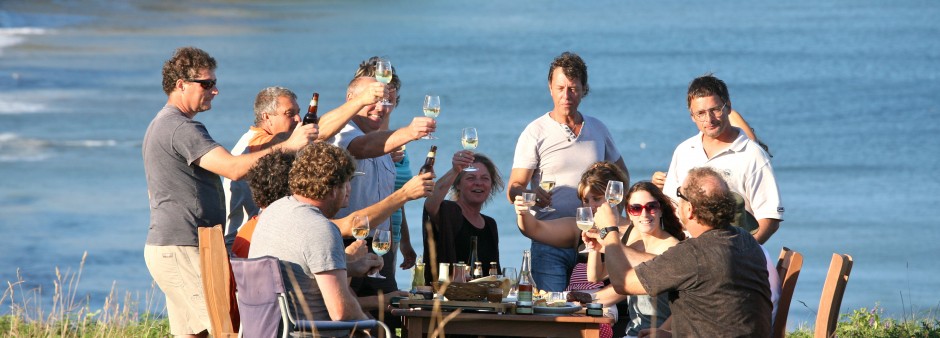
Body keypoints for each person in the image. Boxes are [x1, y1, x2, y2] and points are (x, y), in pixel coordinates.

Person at [142, 46, 316, 338]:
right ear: (181, 84)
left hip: (176, 244)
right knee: (224, 330)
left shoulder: (165, 123)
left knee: (194, 333)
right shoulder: (180, 128)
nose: (215, 90)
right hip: (185, 245)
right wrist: (289, 145)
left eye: (214, 83)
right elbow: (234, 169)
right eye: (207, 84)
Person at [586, 167, 773, 337]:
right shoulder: (745, 240)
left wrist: (609, 231)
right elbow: (717, 308)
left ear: (689, 209)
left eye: (679, 195)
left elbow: (622, 283)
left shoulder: (693, 254)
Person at [507, 51, 629, 291]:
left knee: (593, 313)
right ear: (550, 88)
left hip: (594, 242)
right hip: (549, 240)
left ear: (584, 89)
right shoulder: (535, 132)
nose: (566, 95)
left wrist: (615, 218)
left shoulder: (598, 128)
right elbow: (514, 188)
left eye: (573, 88)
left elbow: (622, 176)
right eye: (560, 87)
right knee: (552, 314)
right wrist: (531, 197)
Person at [222, 84, 386, 248]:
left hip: (256, 237)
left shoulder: (253, 140)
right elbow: (317, 133)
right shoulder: (257, 143)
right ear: (266, 117)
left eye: (298, 112)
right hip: (247, 242)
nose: (298, 119)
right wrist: (361, 101)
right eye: (289, 114)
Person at [327, 63, 435, 296]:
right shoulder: (340, 132)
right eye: (373, 100)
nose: (380, 107)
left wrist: (403, 242)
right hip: (347, 244)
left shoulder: (387, 145)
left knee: (386, 316)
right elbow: (361, 148)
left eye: (386, 101)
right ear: (351, 98)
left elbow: (388, 198)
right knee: (349, 321)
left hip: (380, 249)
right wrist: (409, 132)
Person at [249, 142, 381, 323]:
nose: (350, 190)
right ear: (334, 189)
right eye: (347, 182)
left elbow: (299, 269)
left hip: (268, 330)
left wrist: (351, 268)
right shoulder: (321, 228)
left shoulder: (273, 211)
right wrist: (374, 327)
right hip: (312, 332)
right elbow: (341, 312)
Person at [656, 74, 783, 244]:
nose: (709, 119)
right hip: (685, 251)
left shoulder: (752, 155)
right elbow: (671, 204)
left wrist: (742, 253)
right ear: (692, 116)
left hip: (732, 253)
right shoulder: (684, 150)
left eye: (715, 110)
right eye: (700, 113)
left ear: (728, 107)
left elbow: (770, 217)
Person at [423, 150, 504, 283]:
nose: (478, 183)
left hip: (481, 300)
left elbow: (495, 274)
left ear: (491, 185)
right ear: (458, 184)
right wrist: (455, 170)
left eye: (485, 178)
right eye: (471, 178)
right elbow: (430, 204)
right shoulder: (449, 211)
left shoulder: (490, 224)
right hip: (448, 297)